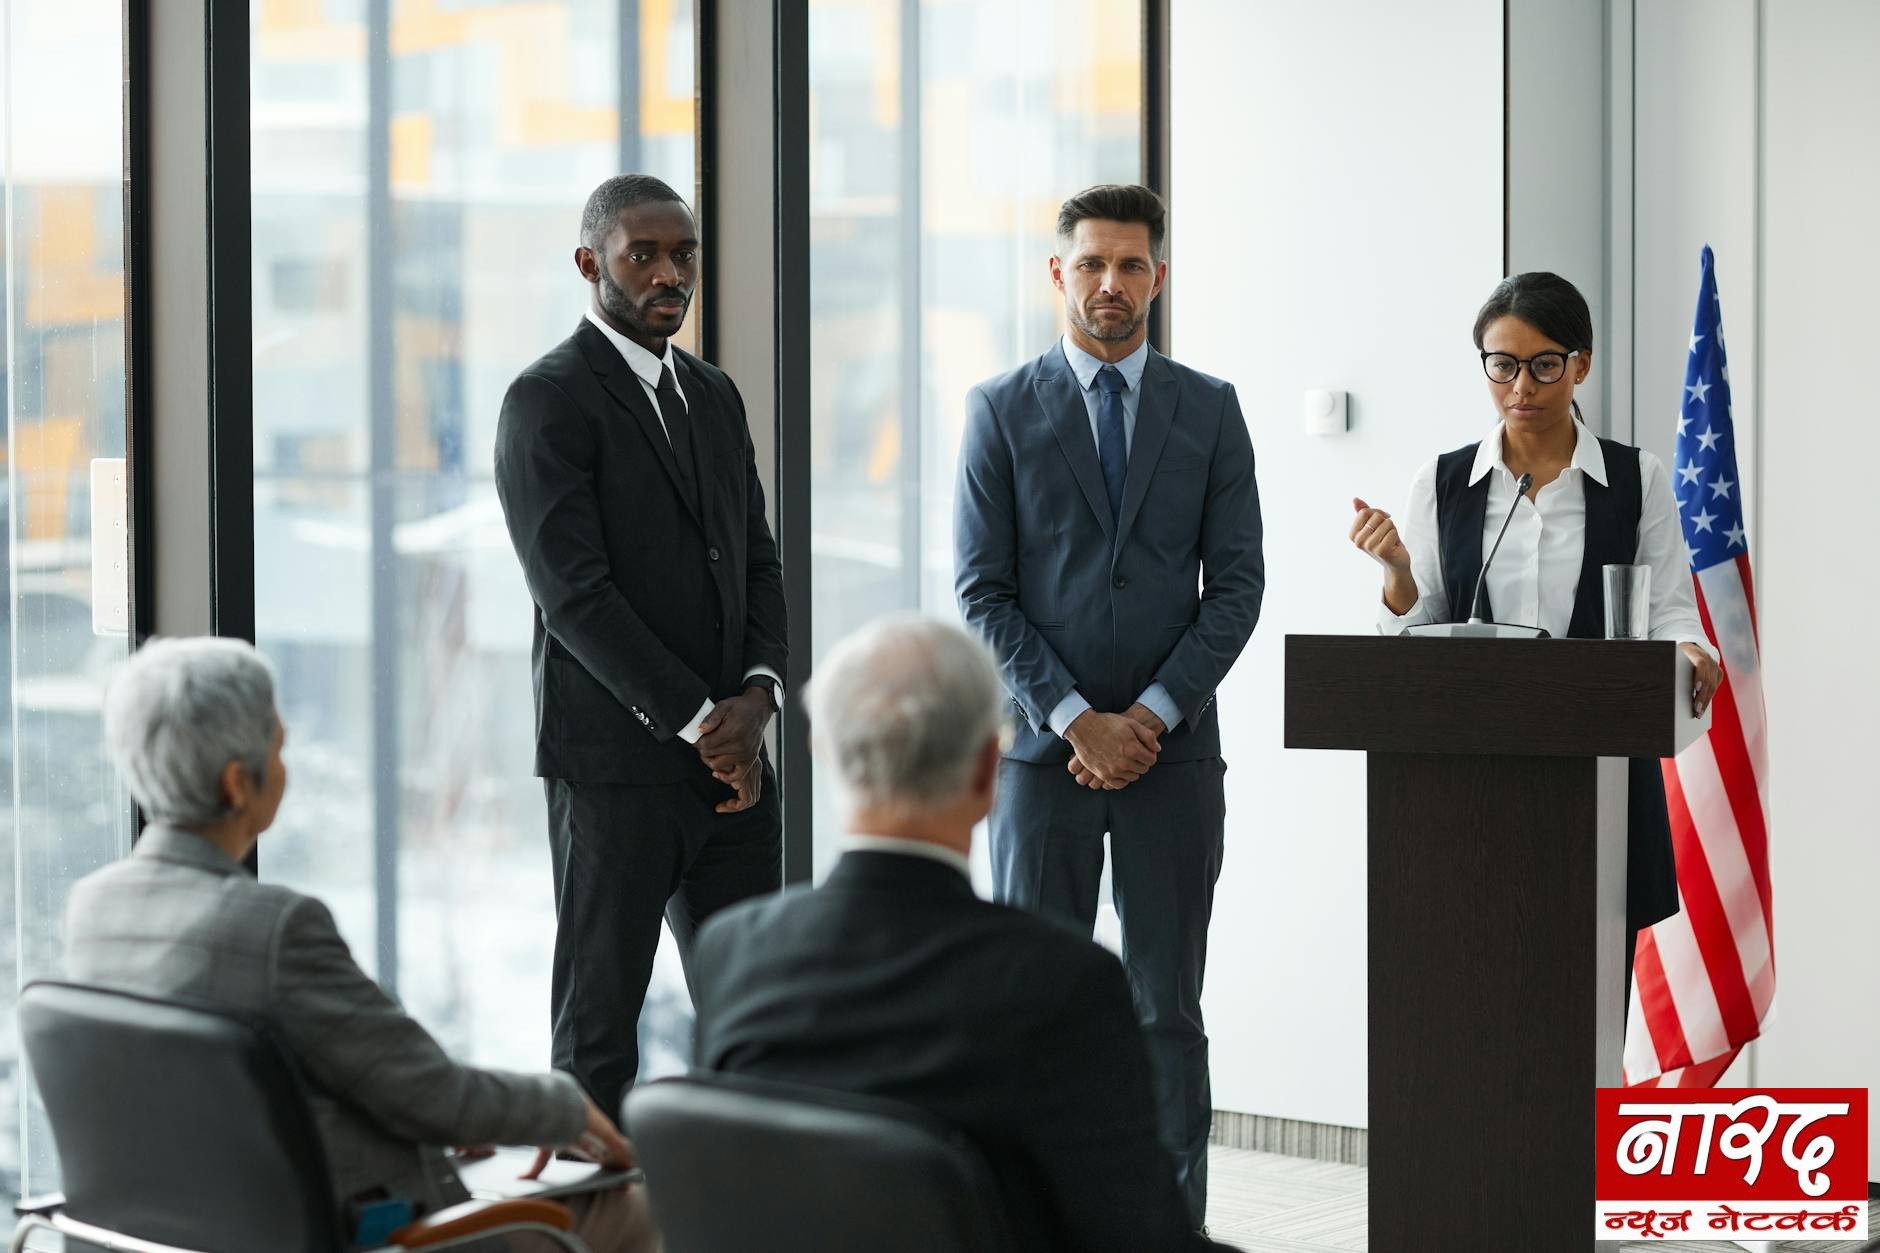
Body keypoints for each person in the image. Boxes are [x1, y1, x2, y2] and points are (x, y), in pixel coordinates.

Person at [65, 637, 652, 1252]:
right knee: (635, 1208)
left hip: (189, 1232)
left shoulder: (94, 910)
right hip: (365, 1233)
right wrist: (564, 1107)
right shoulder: (276, 928)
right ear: (238, 784)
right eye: (278, 747)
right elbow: (435, 1094)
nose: (285, 767)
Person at [690, 616, 1236, 1253]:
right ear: (987, 770)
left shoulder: (731, 954)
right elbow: (1139, 1235)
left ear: (822, 751)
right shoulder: (1065, 984)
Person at [952, 183, 1264, 1225]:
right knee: (1031, 1009)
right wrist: (1075, 718)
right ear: (1059, 272)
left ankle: (1171, 1227)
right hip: (1042, 765)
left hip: (1174, 763)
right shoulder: (999, 407)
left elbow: (1237, 587)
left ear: (1158, 276)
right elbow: (981, 592)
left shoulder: (1210, 407)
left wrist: (1153, 716)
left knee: (1164, 1009)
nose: (1110, 284)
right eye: (1090, 263)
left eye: (1130, 264)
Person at [493, 174, 788, 1121]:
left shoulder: (714, 394)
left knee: (763, 1029)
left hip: (737, 774)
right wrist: (706, 722)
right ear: (591, 263)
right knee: (597, 1038)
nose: (670, 273)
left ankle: (744, 1199)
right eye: (644, 255)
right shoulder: (546, 400)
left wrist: (758, 698)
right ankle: (591, 1204)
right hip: (615, 775)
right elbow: (574, 598)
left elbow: (757, 560)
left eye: (683, 254)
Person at [1347, 270, 1723, 957]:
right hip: (1467, 781)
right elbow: (1416, 637)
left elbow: (1670, 610)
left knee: (1588, 988)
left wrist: (1691, 651)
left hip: (1601, 776)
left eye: (1544, 365)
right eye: (1503, 365)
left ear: (1581, 365)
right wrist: (1398, 575)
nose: (1521, 387)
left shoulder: (1636, 479)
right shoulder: (1444, 481)